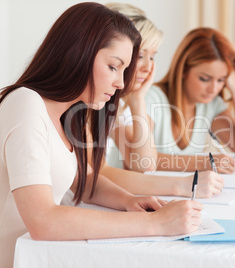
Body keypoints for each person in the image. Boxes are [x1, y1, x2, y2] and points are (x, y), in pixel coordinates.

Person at [0, 3, 202, 267]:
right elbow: (43, 221)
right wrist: (154, 223)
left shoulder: (68, 115)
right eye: (113, 67)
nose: (121, 83)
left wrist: (129, 201)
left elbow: (82, 181)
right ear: (78, 53)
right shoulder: (25, 104)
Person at [94, 3, 224, 199]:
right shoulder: (98, 101)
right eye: (140, 56)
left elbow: (143, 164)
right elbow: (140, 164)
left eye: (153, 57)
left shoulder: (119, 104)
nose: (148, 67)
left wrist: (137, 100)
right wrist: (185, 183)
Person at [111, 27, 235, 174]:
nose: (213, 88)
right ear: (183, 70)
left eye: (221, 80)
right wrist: (204, 162)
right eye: (205, 79)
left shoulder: (210, 105)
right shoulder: (150, 98)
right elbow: (141, 160)